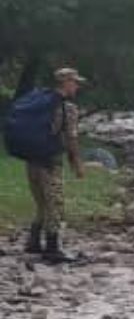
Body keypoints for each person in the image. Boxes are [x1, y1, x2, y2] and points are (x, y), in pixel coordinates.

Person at [24, 68, 86, 263]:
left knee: (41, 202)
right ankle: (52, 248)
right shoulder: (68, 108)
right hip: (51, 162)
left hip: (31, 160)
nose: (77, 86)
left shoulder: (39, 102)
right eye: (75, 82)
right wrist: (77, 164)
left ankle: (33, 242)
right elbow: (72, 138)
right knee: (56, 205)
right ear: (66, 82)